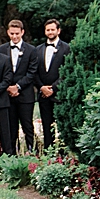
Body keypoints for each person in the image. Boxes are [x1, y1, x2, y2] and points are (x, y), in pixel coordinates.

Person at [2, 19, 42, 155]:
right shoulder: (2, 49)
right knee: (10, 127)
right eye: (12, 33)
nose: (14, 36)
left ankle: (32, 153)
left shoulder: (31, 50)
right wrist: (8, 87)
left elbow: (32, 73)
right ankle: (11, 155)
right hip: (7, 95)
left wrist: (17, 87)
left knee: (27, 126)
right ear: (8, 32)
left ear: (22, 32)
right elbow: (0, 72)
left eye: (17, 34)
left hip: (25, 95)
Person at [35, 18, 67, 153]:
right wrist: (41, 87)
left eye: (52, 29)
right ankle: (48, 154)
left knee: (61, 126)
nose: (50, 32)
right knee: (46, 126)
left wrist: (53, 88)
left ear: (58, 31)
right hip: (43, 94)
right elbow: (33, 71)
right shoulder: (38, 50)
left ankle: (63, 155)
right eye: (48, 30)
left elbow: (66, 71)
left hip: (59, 94)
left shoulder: (66, 48)